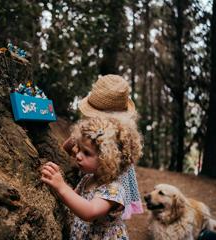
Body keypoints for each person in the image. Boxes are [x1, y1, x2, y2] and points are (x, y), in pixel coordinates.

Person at [41, 117, 143, 239]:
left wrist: (61, 186)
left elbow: (89, 212)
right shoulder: (87, 179)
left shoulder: (114, 189)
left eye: (87, 153)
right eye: (79, 148)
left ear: (107, 160)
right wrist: (55, 184)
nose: (78, 156)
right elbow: (73, 200)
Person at [63, 74, 144, 219]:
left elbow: (67, 146)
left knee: (107, 209)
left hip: (111, 182)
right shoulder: (94, 132)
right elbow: (68, 146)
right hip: (96, 177)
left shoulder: (118, 137)